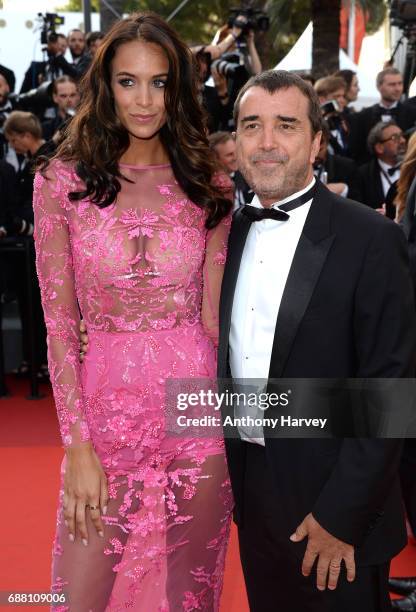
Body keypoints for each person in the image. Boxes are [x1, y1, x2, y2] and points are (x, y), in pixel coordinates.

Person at [33, 12, 233, 611]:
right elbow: (59, 324)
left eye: (160, 82)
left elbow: (215, 322)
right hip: (105, 417)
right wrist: (78, 445)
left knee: (190, 596)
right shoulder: (59, 183)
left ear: (179, 88)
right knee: (80, 594)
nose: (144, 100)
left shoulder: (209, 183)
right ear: (104, 86)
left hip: (198, 420)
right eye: (128, 81)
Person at [217, 70, 416, 611]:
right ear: (234, 141)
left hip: (339, 504)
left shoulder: (371, 238)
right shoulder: (221, 236)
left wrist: (341, 514)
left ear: (317, 142)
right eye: (251, 125)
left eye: (285, 125)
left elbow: (391, 391)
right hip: (253, 495)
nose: (266, 142)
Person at [349, 67, 416, 164]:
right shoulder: (362, 116)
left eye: (400, 83)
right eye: (392, 84)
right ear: (379, 87)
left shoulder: (413, 114)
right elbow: (357, 150)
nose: (397, 89)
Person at [358, 120, 406, 219]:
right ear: (379, 147)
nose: (403, 140)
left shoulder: (412, 167)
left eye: (402, 135)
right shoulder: (363, 175)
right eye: (395, 138)